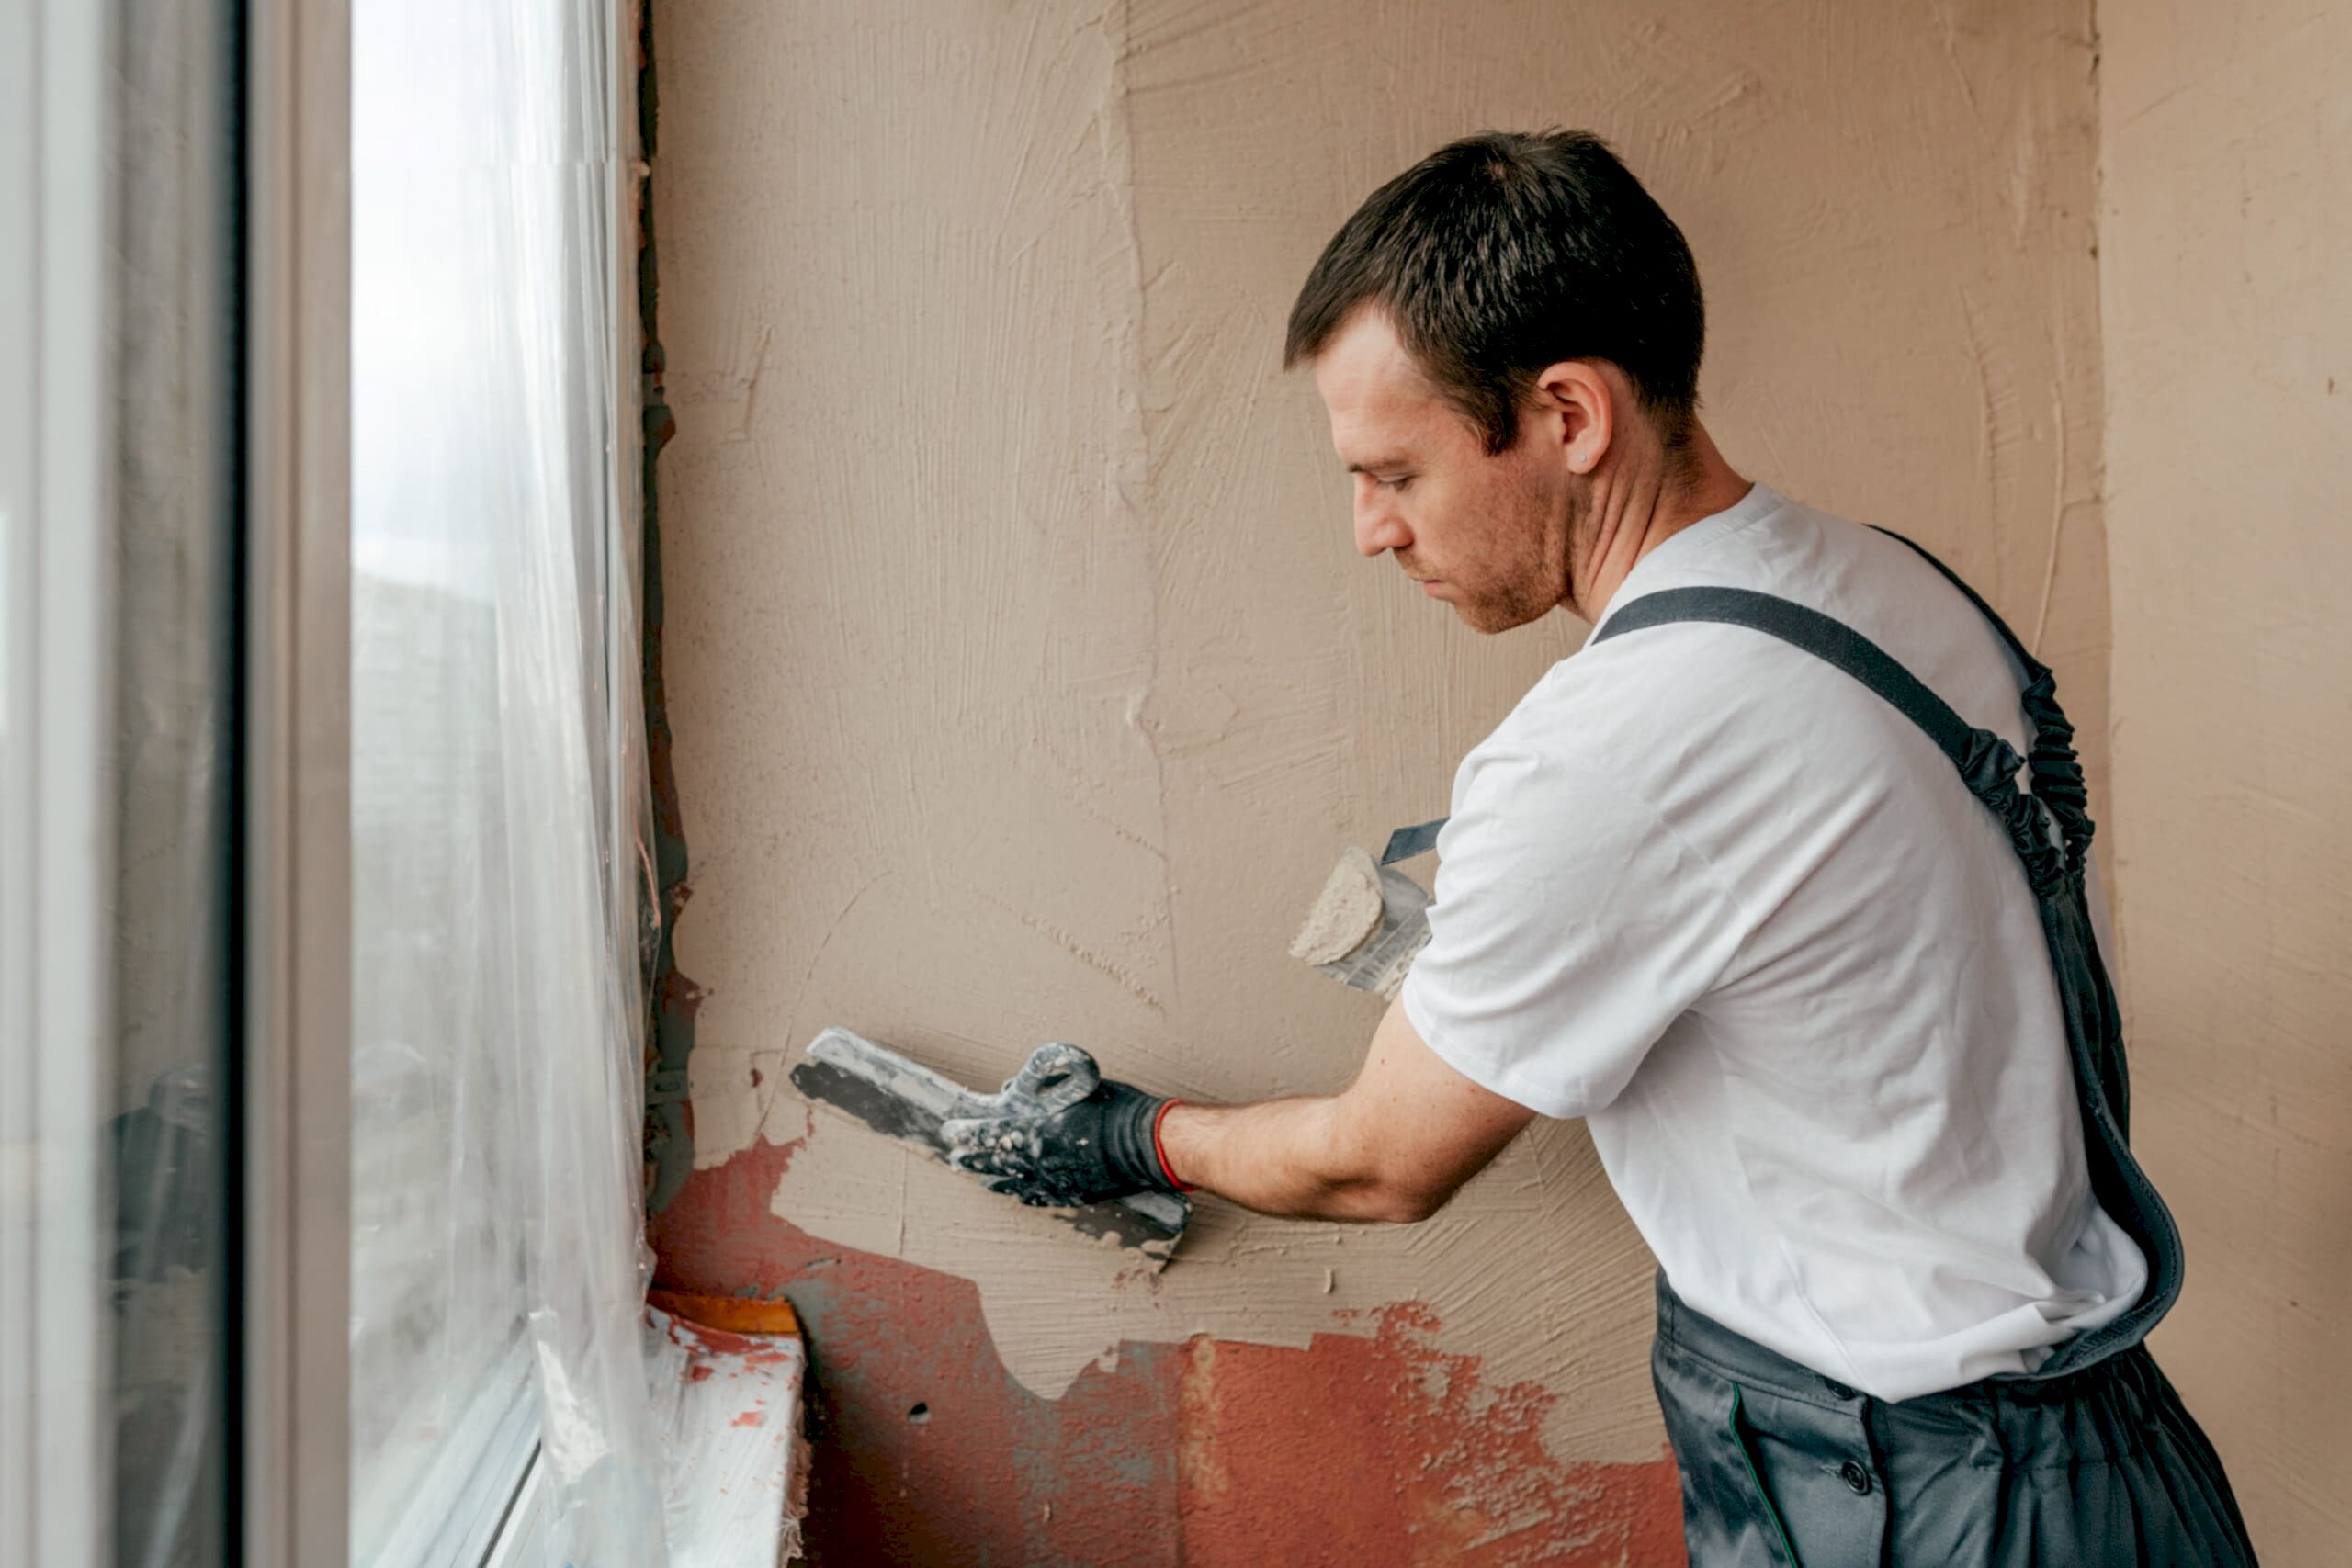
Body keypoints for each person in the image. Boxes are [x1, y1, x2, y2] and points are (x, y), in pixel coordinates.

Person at [941, 130, 2255, 1566]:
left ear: (1569, 414)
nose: (1369, 532)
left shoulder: (1613, 745)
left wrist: (1128, 1137)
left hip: (1918, 1498)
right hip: (2114, 1462)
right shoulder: (1897, 587)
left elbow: (1381, 1165)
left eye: (1395, 473)